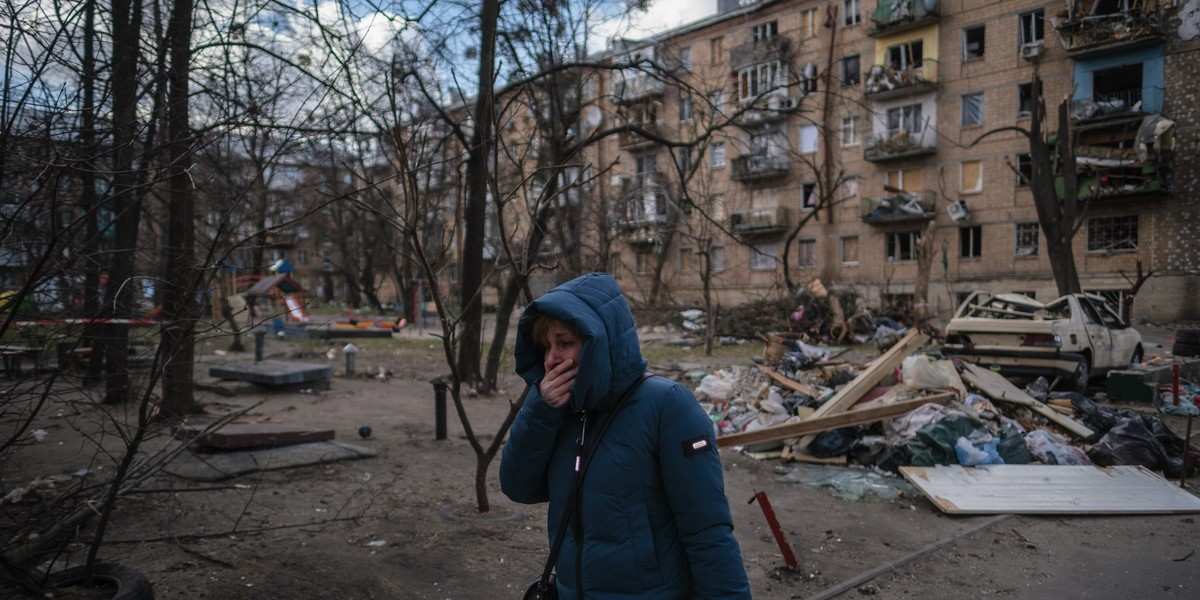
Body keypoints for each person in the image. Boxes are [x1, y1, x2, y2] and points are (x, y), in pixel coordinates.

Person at [500, 273, 751, 599]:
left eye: (564, 344)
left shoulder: (667, 406)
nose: (550, 360)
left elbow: (706, 530)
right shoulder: (560, 409)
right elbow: (518, 486)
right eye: (546, 346)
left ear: (599, 342)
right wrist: (541, 409)